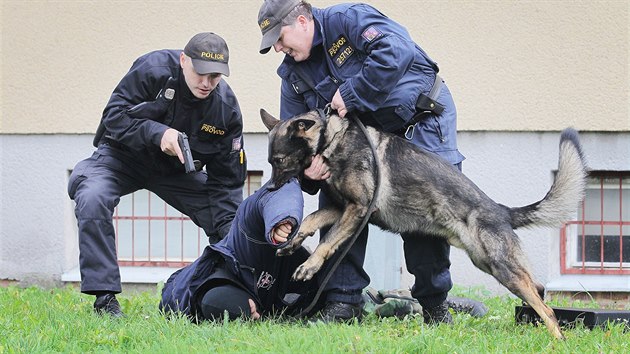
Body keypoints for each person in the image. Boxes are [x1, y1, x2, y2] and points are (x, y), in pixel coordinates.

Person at [257, 0, 485, 324]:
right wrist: (311, 169)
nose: (279, 49)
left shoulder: (347, 20)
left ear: (303, 21)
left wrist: (350, 94)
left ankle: (434, 305)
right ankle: (342, 303)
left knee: (426, 209)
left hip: (418, 121)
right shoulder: (292, 77)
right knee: (337, 194)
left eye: (280, 38)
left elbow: (396, 51)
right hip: (362, 142)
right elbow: (292, 141)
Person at [68, 32, 247, 317]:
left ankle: (237, 287)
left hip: (175, 172)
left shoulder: (225, 110)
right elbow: (113, 116)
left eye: (214, 76)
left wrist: (232, 236)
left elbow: (226, 183)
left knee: (233, 220)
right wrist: (157, 132)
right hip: (121, 157)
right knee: (91, 195)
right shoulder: (153, 70)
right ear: (183, 60)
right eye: (200, 73)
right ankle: (105, 300)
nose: (206, 83)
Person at [160, 177, 320, 322]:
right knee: (219, 301)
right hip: (202, 286)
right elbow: (282, 190)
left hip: (259, 290)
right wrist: (283, 219)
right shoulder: (249, 218)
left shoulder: (296, 257)